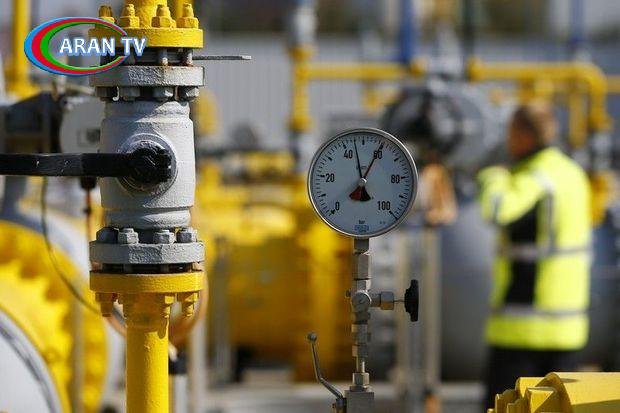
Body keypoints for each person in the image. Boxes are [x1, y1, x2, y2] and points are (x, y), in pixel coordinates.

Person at [477, 101, 591, 407]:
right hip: (568, 330)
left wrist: (491, 175)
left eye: (511, 133)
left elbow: (498, 209)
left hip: (522, 331)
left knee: (505, 408)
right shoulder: (573, 174)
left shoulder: (534, 177)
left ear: (524, 135)